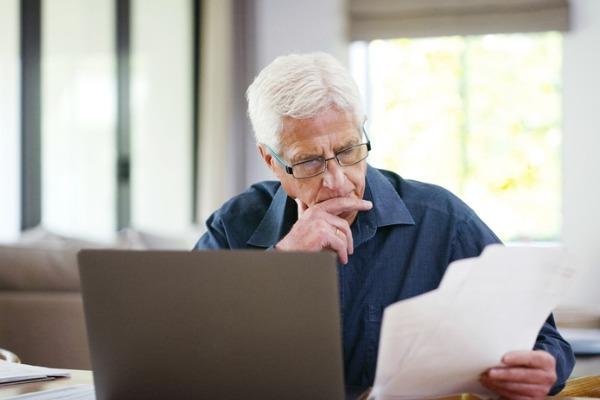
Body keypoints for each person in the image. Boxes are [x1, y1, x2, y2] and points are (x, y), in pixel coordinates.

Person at [194, 52, 574, 398]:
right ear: (271, 160)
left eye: (347, 151)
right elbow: (182, 351)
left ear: (362, 131)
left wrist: (545, 369)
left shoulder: (443, 220)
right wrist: (283, 262)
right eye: (309, 162)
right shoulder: (233, 226)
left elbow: (546, 339)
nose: (337, 181)